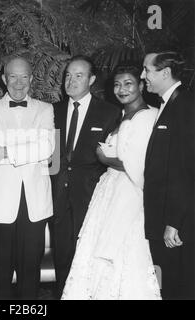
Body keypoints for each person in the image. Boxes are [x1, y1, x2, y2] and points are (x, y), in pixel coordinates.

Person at [61, 64, 161, 300]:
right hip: (109, 191)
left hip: (128, 194)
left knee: (123, 254)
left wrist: (105, 158)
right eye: (117, 84)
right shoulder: (123, 115)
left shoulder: (148, 116)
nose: (121, 89)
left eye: (128, 83)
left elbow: (140, 167)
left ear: (141, 85)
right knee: (97, 256)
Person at [0, 57, 55, 299]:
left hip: (34, 203)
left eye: (24, 76)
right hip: (0, 204)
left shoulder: (46, 109)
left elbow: (46, 148)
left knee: (30, 273)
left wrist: (8, 149)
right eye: (12, 76)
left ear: (32, 79)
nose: (19, 82)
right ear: (4, 79)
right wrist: (29, 146)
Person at [51, 55, 121, 298]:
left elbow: (115, 157)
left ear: (91, 79)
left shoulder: (110, 112)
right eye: (68, 75)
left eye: (78, 75)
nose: (71, 80)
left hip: (91, 197)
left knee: (88, 258)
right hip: (57, 195)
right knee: (61, 257)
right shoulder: (52, 111)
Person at [141, 51, 194, 300]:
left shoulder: (185, 105)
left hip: (173, 222)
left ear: (164, 73)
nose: (143, 76)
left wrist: (174, 221)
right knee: (164, 283)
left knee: (176, 285)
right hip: (161, 215)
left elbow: (185, 168)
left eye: (147, 70)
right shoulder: (168, 104)